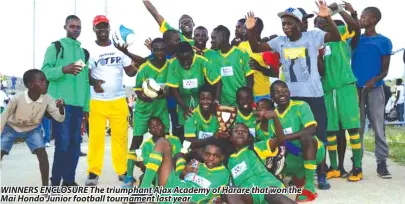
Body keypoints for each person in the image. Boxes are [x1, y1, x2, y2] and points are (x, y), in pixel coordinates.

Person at [246, 1, 342, 189]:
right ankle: (294, 171)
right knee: (291, 135)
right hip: (290, 99)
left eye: (290, 23)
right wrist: (250, 31)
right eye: (284, 24)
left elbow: (336, 37)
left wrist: (327, 18)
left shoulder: (313, 36)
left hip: (313, 96)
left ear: (299, 23)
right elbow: (256, 47)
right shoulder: (279, 41)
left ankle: (320, 175)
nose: (286, 27)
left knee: (318, 136)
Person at [84, 15, 137, 186]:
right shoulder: (90, 50)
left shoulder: (118, 48)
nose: (102, 30)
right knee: (96, 138)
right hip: (97, 100)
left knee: (120, 138)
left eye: (104, 26)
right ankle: (93, 172)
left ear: (109, 28)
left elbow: (130, 72)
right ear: (94, 29)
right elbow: (86, 74)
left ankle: (122, 171)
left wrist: (133, 57)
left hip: (118, 100)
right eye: (98, 27)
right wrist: (94, 83)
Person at [315, 1, 363, 181]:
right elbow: (320, 71)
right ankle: (334, 167)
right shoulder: (317, 43)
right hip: (328, 90)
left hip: (345, 87)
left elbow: (355, 27)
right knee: (331, 130)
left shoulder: (340, 34)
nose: (319, 24)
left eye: (322, 21)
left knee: (352, 128)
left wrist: (339, 11)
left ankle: (357, 167)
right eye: (317, 22)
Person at [41, 15, 90, 186]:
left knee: (75, 146)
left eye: (78, 27)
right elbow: (45, 73)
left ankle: (69, 180)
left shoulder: (83, 52)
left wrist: (86, 106)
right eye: (72, 26)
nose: (75, 29)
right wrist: (63, 69)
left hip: (78, 106)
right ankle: (55, 182)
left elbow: (85, 81)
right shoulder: (56, 47)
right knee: (62, 145)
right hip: (60, 105)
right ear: (65, 27)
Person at [1, 69, 65, 186]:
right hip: (12, 128)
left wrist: (60, 108)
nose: (45, 83)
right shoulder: (17, 98)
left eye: (45, 81)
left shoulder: (47, 99)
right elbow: (3, 117)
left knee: (43, 155)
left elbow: (59, 118)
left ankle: (45, 187)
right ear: (30, 85)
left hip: (32, 129)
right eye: (41, 81)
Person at [266, 80, 326, 202]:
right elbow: (274, 141)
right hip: (290, 157)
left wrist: (284, 138)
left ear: (289, 92)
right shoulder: (272, 116)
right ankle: (297, 175)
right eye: (277, 92)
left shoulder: (301, 106)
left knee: (307, 138)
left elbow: (311, 129)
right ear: (272, 98)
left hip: (312, 151)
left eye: (284, 90)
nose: (282, 94)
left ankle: (309, 187)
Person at [124, 38, 171, 187]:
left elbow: (171, 86)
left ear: (166, 50)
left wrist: (164, 93)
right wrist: (146, 96)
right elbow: (137, 89)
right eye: (156, 49)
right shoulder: (144, 67)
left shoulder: (170, 66)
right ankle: (129, 176)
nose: (159, 53)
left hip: (160, 109)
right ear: (152, 50)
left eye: (162, 49)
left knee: (165, 139)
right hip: (144, 110)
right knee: (136, 141)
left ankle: (164, 172)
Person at [351, 7, 392, 178]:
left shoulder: (384, 41)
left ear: (373, 19)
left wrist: (373, 80)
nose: (360, 19)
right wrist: (352, 16)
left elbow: (385, 71)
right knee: (357, 127)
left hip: (375, 89)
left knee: (377, 125)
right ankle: (357, 162)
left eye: (363, 17)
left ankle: (381, 162)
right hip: (356, 89)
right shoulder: (355, 40)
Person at [139, 136, 230, 203]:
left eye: (215, 156)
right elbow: (180, 175)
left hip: (187, 200)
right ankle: (143, 190)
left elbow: (216, 197)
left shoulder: (224, 174)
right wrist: (183, 172)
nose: (211, 158)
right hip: (174, 187)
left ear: (222, 157)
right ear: (203, 154)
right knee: (162, 142)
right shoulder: (195, 164)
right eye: (208, 154)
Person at [225, 123, 295, 204]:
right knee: (231, 191)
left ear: (249, 138)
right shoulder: (228, 161)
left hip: (266, 185)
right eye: (236, 131)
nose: (240, 132)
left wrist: (275, 117)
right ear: (230, 137)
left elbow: (280, 139)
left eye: (244, 131)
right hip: (249, 195)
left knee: (271, 193)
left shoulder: (255, 148)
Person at [166, 42, 221, 142]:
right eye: (181, 60)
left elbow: (217, 81)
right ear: (177, 57)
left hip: (202, 100)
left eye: (188, 59)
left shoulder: (202, 61)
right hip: (183, 102)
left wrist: (215, 101)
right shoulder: (173, 65)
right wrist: (185, 108)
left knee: (204, 125)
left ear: (193, 53)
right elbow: (173, 89)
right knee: (186, 128)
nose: (185, 63)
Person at [125, 117, 182, 188]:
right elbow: (147, 165)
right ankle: (146, 188)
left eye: (158, 125)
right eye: (152, 127)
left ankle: (179, 181)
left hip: (174, 171)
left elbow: (180, 157)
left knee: (181, 160)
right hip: (157, 175)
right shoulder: (146, 145)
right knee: (144, 176)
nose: (156, 128)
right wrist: (140, 163)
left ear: (164, 126)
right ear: (150, 132)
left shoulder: (175, 140)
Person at [207, 25, 254, 106]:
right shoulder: (214, 56)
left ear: (222, 37)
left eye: (214, 38)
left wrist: (247, 98)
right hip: (224, 103)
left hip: (241, 103)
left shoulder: (241, 53)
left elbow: (250, 77)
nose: (212, 41)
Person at [237, 17, 278, 102]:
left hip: (263, 94)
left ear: (258, 29)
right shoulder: (242, 46)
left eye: (249, 26)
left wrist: (259, 67)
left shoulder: (266, 47)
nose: (245, 29)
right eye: (245, 26)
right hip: (246, 95)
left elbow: (275, 73)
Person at [184, 85, 219, 161]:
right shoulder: (191, 115)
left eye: (208, 98)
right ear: (199, 99)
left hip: (214, 151)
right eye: (202, 98)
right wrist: (212, 138)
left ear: (213, 100)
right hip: (197, 152)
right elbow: (190, 142)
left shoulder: (218, 115)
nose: (205, 101)